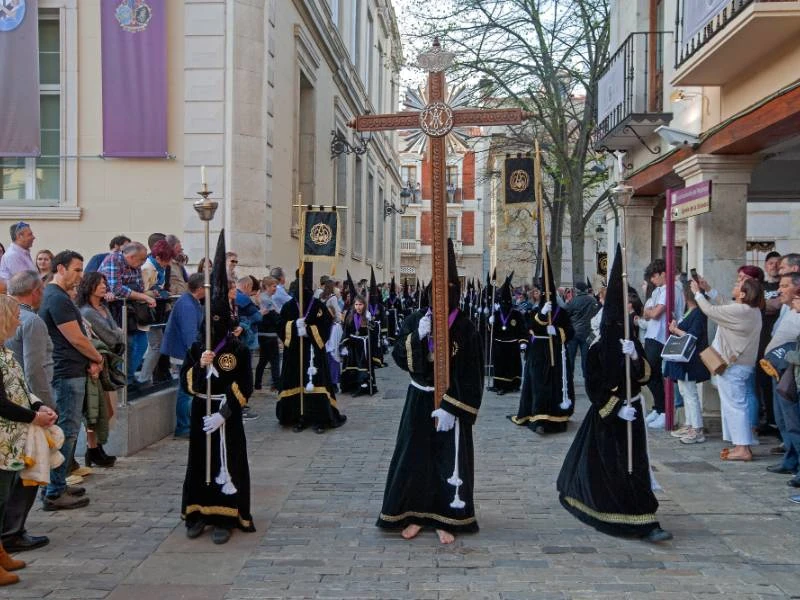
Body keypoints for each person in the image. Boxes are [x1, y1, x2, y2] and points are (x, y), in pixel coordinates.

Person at [557, 245, 672, 544]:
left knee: (637, 465)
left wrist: (635, 356)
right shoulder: (597, 349)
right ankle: (620, 512)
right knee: (613, 467)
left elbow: (646, 375)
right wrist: (615, 407)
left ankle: (644, 517)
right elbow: (594, 386)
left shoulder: (632, 340)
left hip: (634, 414)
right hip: (611, 417)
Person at [378, 239, 484, 544]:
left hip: (450, 404)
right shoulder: (415, 320)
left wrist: (452, 407)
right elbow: (399, 357)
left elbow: (472, 374)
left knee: (446, 459)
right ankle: (413, 514)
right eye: (436, 290)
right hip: (419, 398)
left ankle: (446, 518)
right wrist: (416, 337)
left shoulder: (465, 327)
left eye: (448, 290)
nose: (441, 297)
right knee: (415, 457)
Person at [180, 231, 255, 545]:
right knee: (200, 460)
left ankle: (226, 515)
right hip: (202, 409)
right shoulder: (199, 348)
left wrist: (225, 413)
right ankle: (197, 512)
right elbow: (185, 383)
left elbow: (244, 385)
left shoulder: (237, 350)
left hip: (225, 413)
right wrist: (200, 364)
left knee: (229, 460)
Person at [0, 295, 59, 585]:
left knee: (4, 496)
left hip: (11, 438)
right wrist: (33, 418)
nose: (19, 320)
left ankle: (1, 552)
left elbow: (19, 388)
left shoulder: (5, 352)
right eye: (14, 316)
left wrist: (36, 406)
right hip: (2, 437)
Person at [40, 251, 103, 510]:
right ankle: (54, 491)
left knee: (69, 430)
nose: (80, 276)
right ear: (60, 269)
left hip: (71, 370)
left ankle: (59, 483)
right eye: (76, 270)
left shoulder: (60, 297)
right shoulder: (57, 298)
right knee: (66, 431)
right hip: (66, 374)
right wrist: (98, 358)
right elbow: (75, 338)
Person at [692, 276, 763, 461]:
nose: (734, 284)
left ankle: (742, 448)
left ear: (743, 293)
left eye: (738, 285)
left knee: (735, 406)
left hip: (734, 366)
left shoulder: (741, 310)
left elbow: (711, 310)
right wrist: (708, 289)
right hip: (740, 365)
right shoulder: (750, 309)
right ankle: (741, 444)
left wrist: (697, 294)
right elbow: (725, 304)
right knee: (736, 405)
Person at [275, 263, 345, 433]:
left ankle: (321, 418)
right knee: (297, 381)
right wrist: (293, 326)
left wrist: (309, 330)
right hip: (295, 352)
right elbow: (280, 325)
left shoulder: (317, 306)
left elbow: (326, 326)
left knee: (316, 384)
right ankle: (299, 416)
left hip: (313, 353)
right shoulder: (289, 306)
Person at [512, 252, 575, 434]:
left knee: (556, 385)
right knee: (539, 385)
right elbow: (529, 327)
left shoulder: (561, 313)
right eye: (543, 293)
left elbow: (570, 332)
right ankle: (539, 418)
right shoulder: (534, 311)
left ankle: (556, 417)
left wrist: (557, 332)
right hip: (539, 354)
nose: (546, 297)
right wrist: (541, 316)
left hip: (556, 354)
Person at [76, 272, 124, 467]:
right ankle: (93, 449)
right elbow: (113, 336)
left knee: (108, 409)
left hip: (109, 362)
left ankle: (95, 448)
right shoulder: (87, 312)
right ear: (90, 287)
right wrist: (117, 336)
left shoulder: (104, 307)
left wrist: (117, 336)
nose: (104, 286)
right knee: (98, 409)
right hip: (97, 361)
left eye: (105, 283)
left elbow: (118, 333)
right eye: (100, 284)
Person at [99, 242, 157, 384]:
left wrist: (136, 292)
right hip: (115, 310)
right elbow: (117, 289)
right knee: (127, 344)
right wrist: (143, 296)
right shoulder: (113, 260)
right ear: (130, 257)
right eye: (142, 259)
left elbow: (139, 286)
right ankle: (121, 380)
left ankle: (129, 377)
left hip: (131, 311)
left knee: (141, 344)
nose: (144, 263)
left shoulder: (134, 266)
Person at [664, 281, 710, 444]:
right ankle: (690, 424)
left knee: (690, 394)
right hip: (684, 359)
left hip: (691, 359)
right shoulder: (691, 311)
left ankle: (697, 429)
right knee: (685, 392)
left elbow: (693, 335)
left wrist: (675, 330)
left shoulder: (697, 313)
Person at [161, 273, 205, 438]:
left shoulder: (191, 302)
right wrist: (197, 355)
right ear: (200, 288)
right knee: (186, 391)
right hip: (184, 354)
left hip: (186, 353)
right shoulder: (187, 305)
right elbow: (189, 334)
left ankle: (187, 424)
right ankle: (183, 427)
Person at [488, 273, 526, 394]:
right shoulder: (497, 314)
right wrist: (490, 323)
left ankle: (510, 385)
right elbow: (492, 330)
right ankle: (498, 384)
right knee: (499, 365)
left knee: (511, 366)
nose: (505, 305)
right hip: (499, 343)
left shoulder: (516, 314)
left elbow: (522, 329)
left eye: (507, 303)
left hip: (512, 344)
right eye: (503, 303)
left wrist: (523, 342)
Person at [642, 259, 669, 430]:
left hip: (660, 336)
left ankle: (664, 410)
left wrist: (650, 312)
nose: (652, 280)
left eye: (654, 276)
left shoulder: (669, 290)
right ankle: (658, 408)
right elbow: (646, 314)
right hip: (651, 335)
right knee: (651, 374)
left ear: (663, 274)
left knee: (653, 373)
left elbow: (656, 313)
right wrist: (650, 312)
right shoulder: (657, 291)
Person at [340, 288, 377, 397]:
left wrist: (371, 322)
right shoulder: (351, 317)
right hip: (352, 346)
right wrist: (344, 345)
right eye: (356, 304)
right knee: (353, 366)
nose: (358, 307)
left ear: (364, 305)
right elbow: (346, 331)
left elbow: (373, 331)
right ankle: (353, 386)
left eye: (360, 304)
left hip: (364, 346)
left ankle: (364, 386)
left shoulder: (367, 316)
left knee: (363, 366)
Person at [564, 281, 599, 384]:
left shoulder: (573, 301)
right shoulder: (592, 300)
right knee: (586, 357)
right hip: (588, 332)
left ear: (577, 290)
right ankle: (587, 379)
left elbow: (565, 314)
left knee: (571, 357)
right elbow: (596, 313)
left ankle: (569, 378)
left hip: (574, 333)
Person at [255, 277, 281, 392]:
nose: (275, 289)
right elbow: (274, 318)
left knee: (263, 360)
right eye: (274, 286)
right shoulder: (267, 300)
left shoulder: (263, 298)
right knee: (275, 360)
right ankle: (277, 384)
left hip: (263, 334)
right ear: (267, 287)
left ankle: (258, 383)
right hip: (269, 334)